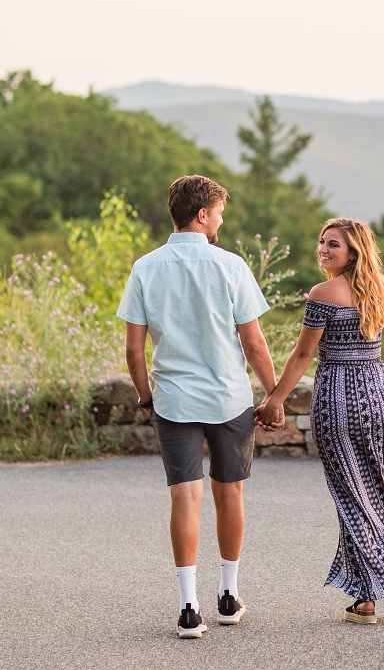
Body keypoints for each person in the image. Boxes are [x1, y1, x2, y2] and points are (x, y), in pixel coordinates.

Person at [255, 217, 384, 623]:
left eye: (334, 245)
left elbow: (304, 356)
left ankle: (366, 599)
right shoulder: (382, 290)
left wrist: (275, 399)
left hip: (338, 404)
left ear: (353, 252)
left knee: (352, 497)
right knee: (377, 491)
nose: (323, 250)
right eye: (322, 242)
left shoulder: (322, 293)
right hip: (380, 401)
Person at [117, 175, 276, 638]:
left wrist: (146, 396)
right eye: (220, 213)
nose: (221, 221)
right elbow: (255, 343)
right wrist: (273, 395)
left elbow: (133, 350)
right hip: (229, 398)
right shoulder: (231, 266)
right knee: (230, 494)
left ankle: (189, 607)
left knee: (184, 496)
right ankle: (228, 596)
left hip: (174, 399)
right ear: (202, 215)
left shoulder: (145, 267)